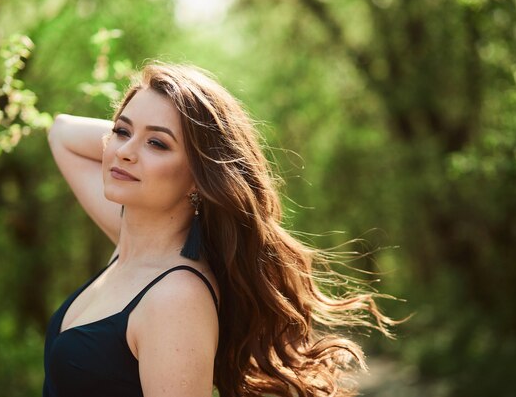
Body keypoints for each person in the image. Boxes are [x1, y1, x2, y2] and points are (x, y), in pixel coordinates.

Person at [45, 62, 395, 397]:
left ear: (199, 177)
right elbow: (61, 132)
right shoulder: (131, 250)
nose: (124, 152)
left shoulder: (175, 298)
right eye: (121, 131)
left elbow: (66, 136)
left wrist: (158, 132)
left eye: (158, 144)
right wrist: (145, 127)